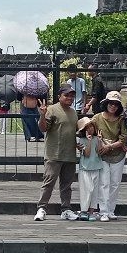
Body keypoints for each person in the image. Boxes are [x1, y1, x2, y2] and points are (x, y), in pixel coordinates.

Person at [33, 84, 80, 222]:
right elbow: (43, 128)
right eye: (66, 95)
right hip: (54, 153)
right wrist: (42, 115)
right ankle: (41, 208)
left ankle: (66, 209)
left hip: (69, 153)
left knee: (67, 185)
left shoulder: (73, 112)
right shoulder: (52, 110)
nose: (69, 98)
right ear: (59, 96)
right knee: (49, 182)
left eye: (72, 95)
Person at [94, 91, 127, 222]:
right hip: (102, 154)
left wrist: (110, 146)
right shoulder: (97, 118)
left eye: (116, 104)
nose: (113, 106)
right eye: (110, 103)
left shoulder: (121, 120)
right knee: (104, 183)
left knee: (115, 183)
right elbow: (89, 129)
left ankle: (111, 209)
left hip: (117, 154)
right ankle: (103, 210)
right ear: (106, 104)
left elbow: (124, 138)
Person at [76, 116, 102, 221]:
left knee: (94, 190)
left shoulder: (97, 138)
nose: (90, 129)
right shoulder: (81, 140)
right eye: (87, 127)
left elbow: (100, 151)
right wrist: (89, 141)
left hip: (96, 167)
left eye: (91, 127)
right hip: (85, 168)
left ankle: (92, 210)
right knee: (86, 190)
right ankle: (83, 210)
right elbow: (86, 154)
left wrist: (99, 141)